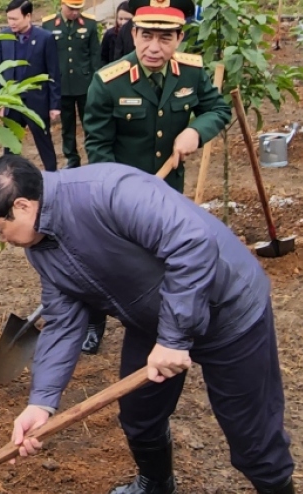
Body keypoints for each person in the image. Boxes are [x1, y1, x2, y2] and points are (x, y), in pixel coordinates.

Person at [0, 156, 296, 494]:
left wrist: (174, 337)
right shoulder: (41, 247)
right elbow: (63, 322)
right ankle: (157, 485)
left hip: (229, 311)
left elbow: (192, 244)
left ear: (22, 206)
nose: (2, 239)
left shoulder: (108, 190)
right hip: (154, 322)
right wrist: (42, 401)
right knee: (140, 416)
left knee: (252, 439)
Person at [82, 0, 230, 355]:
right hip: (122, 195)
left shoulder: (190, 73)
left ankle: (159, 328)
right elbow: (99, 150)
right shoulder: (108, 83)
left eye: (165, 38)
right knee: (109, 263)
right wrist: (118, 197)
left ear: (179, 38)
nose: (154, 47)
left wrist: (196, 131)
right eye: (146, 35)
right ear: (132, 34)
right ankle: (94, 321)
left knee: (164, 261)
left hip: (169, 190)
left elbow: (218, 108)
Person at [0, 0, 61, 172]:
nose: (12, 23)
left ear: (28, 16)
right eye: (9, 19)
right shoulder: (4, 37)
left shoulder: (45, 38)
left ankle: (53, 176)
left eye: (15, 19)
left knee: (44, 144)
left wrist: (55, 105)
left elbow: (53, 73)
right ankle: (9, 180)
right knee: (10, 146)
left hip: (37, 102)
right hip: (12, 101)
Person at [42, 0, 101, 169]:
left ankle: (93, 157)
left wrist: (96, 83)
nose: (75, 12)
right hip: (62, 84)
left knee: (90, 123)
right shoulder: (48, 24)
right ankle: (72, 158)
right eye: (71, 8)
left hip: (85, 84)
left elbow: (94, 55)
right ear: (62, 5)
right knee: (67, 126)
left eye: (78, 9)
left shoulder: (89, 23)